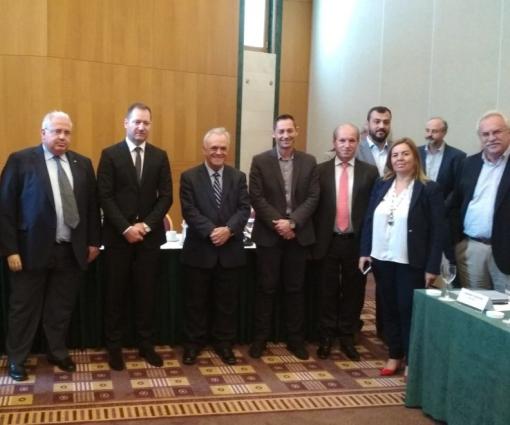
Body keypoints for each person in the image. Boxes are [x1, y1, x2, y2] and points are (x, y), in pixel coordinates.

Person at [0, 111, 100, 381]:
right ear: (43, 133)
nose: (62, 137)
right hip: (29, 251)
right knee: (23, 308)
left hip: (70, 250)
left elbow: (92, 207)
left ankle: (57, 351)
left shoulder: (82, 163)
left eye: (67, 132)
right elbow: (5, 208)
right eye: (56, 131)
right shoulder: (20, 160)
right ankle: (17, 359)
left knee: (60, 307)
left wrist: (93, 242)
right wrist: (10, 249)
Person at [359, 138, 445, 376]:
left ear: (415, 158)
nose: (400, 158)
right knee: (388, 308)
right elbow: (369, 218)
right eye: (395, 155)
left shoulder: (428, 188)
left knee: (408, 309)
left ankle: (411, 358)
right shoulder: (382, 184)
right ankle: (394, 355)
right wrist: (365, 251)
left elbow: (438, 231)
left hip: (410, 261)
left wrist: (432, 266)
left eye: (405, 154)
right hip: (382, 259)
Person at [97, 102, 172, 371]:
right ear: (126, 123)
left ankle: (145, 345)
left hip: (148, 241)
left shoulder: (160, 156)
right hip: (118, 240)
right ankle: (114, 347)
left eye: (146, 123)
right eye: (137, 122)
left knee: (146, 295)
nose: (141, 127)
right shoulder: (110, 155)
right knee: (115, 295)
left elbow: (166, 197)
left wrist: (146, 226)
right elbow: (104, 196)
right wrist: (126, 228)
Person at [248, 114, 319, 360]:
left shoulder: (309, 161)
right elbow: (256, 197)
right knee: (266, 289)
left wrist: (293, 222)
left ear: (296, 131)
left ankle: (295, 340)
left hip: (298, 235)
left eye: (289, 131)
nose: (285, 136)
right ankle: (260, 339)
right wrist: (279, 224)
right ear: (274, 134)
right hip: (269, 235)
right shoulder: (259, 161)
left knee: (295, 289)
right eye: (281, 131)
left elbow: (313, 197)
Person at [179, 128, 250, 366]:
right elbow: (189, 210)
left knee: (227, 304)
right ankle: (193, 344)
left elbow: (244, 209)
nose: (219, 152)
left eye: (223, 148)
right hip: (199, 251)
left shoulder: (238, 177)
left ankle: (224, 344)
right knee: (195, 303)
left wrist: (228, 230)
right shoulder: (189, 177)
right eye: (214, 148)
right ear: (204, 150)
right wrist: (212, 230)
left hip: (230, 251)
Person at [312, 124, 378, 360]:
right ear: (334, 142)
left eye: (351, 140)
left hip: (355, 243)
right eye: (342, 140)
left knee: (354, 291)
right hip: (327, 241)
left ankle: (348, 336)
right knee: (326, 290)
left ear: (358, 142)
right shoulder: (319, 171)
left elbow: (372, 212)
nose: (347, 145)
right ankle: (326, 335)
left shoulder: (370, 172)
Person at [449, 111, 510, 292]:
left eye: (497, 132)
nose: (491, 138)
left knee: (505, 307)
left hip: (506, 252)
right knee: (474, 304)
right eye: (485, 134)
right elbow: (455, 204)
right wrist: (457, 243)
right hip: (472, 248)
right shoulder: (468, 164)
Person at [418, 117, 466, 200]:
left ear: (444, 133)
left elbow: (457, 187)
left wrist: (445, 205)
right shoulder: (415, 152)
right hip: (418, 203)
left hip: (443, 203)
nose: (429, 134)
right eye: (427, 130)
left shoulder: (458, 156)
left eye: (434, 131)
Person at [357, 106, 392, 176]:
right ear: (367, 124)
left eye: (386, 122)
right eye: (377, 122)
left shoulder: (396, 149)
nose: (382, 126)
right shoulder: (356, 150)